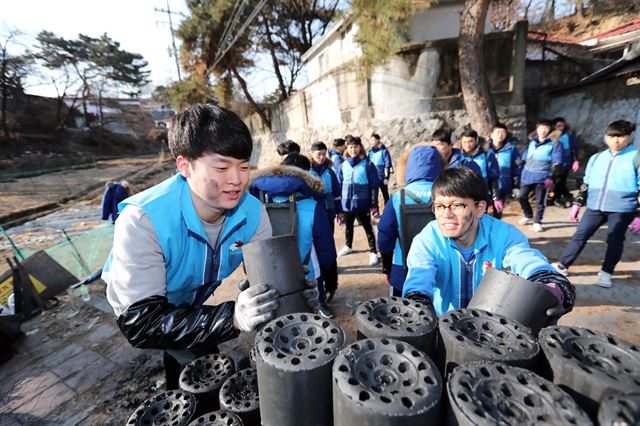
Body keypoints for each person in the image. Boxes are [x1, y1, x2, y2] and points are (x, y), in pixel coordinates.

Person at [102, 104, 319, 389]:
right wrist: (233, 317)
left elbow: (269, 276)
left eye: (243, 166)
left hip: (193, 293)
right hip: (146, 304)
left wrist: (298, 293)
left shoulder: (251, 212)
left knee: (193, 349)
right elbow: (141, 323)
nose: (236, 180)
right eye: (221, 167)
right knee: (196, 364)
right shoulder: (143, 220)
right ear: (184, 166)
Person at [402, 167, 575, 321]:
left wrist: (554, 288)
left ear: (480, 208)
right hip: (444, 324)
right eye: (439, 206)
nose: (446, 214)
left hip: (491, 330)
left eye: (457, 205)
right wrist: (418, 307)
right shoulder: (427, 239)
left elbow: (527, 260)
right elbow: (419, 280)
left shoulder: (504, 235)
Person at [553, 120, 640, 288]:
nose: (616, 140)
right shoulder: (597, 158)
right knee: (580, 235)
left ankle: (606, 273)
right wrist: (577, 203)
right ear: (606, 137)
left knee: (614, 241)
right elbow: (586, 182)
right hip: (595, 206)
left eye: (620, 136)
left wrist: (638, 215)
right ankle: (562, 265)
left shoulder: (636, 158)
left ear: (629, 137)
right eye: (612, 136)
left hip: (622, 209)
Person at [250, 153, 339, 318]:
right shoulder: (312, 206)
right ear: (305, 175)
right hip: (306, 273)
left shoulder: (258, 204)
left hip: (268, 273)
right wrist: (330, 272)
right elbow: (325, 247)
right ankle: (320, 305)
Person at [378, 145, 442, 296]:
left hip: (403, 268)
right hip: (440, 268)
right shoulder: (447, 194)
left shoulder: (398, 197)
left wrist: (387, 267)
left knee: (404, 314)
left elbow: (385, 235)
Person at [336, 136, 380, 266]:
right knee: (348, 227)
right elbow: (339, 186)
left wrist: (374, 205)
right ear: (346, 148)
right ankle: (348, 245)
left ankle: (373, 251)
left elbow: (374, 186)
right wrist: (339, 206)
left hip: (362, 203)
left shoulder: (367, 165)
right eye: (350, 147)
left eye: (355, 146)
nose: (353, 149)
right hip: (347, 204)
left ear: (360, 148)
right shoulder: (343, 165)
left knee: (367, 227)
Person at [518, 119, 564, 232]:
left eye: (546, 128)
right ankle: (528, 215)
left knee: (540, 201)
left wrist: (551, 177)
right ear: (537, 129)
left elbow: (557, 162)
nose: (543, 131)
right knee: (522, 196)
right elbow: (525, 157)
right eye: (541, 128)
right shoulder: (532, 142)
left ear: (550, 130)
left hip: (543, 177)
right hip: (527, 175)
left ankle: (537, 221)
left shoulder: (554, 144)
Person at [459, 129, 502, 217]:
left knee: (480, 220)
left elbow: (493, 178)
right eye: (464, 142)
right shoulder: (456, 156)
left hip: (481, 194)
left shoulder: (487, 155)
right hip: (461, 194)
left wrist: (496, 197)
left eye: (470, 141)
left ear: (476, 141)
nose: (467, 145)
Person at [487, 123, 522, 217]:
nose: (500, 135)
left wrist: (516, 185)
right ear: (491, 134)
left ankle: (495, 230)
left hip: (503, 185)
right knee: (482, 213)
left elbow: (516, 167)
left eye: (503, 132)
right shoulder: (484, 149)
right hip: (486, 185)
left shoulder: (511, 149)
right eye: (497, 132)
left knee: (498, 213)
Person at [309, 141, 344, 231]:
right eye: (319, 154)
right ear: (311, 154)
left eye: (324, 154)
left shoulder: (329, 172)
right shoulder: (307, 172)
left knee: (329, 237)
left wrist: (339, 211)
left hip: (329, 211)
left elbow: (336, 193)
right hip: (313, 212)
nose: (322, 157)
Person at [549, 117, 579, 208]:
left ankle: (556, 199)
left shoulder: (568, 134)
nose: (560, 127)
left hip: (567, 161)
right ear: (554, 126)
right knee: (557, 181)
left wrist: (575, 160)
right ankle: (567, 195)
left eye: (562, 125)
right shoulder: (551, 136)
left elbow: (573, 148)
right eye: (558, 126)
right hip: (555, 161)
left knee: (562, 180)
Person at [367, 133, 394, 217]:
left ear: (378, 140)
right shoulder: (370, 152)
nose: (372, 141)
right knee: (373, 195)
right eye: (371, 140)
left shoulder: (383, 151)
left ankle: (388, 211)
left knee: (385, 194)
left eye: (374, 140)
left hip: (382, 177)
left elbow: (387, 165)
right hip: (373, 178)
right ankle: (376, 211)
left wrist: (387, 177)